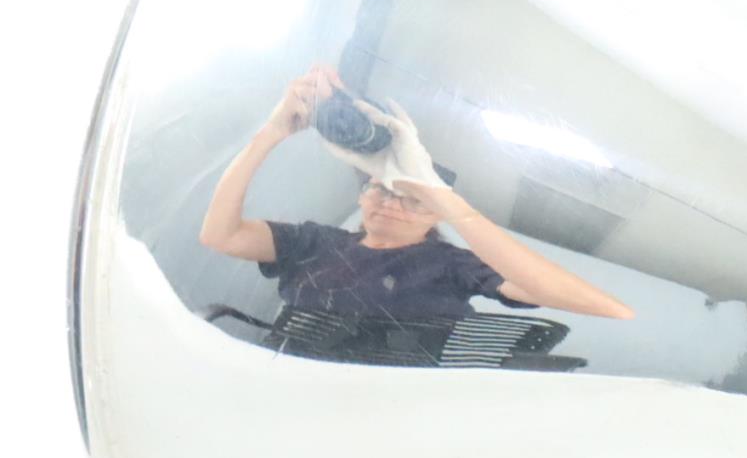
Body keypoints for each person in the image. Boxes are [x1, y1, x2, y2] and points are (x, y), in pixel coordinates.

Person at [199, 66, 635, 324]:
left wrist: (434, 189)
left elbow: (608, 308)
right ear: (362, 195)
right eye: (381, 188)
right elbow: (220, 235)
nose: (393, 202)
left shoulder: (450, 264)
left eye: (413, 200)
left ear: (435, 216)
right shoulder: (315, 242)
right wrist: (273, 131)